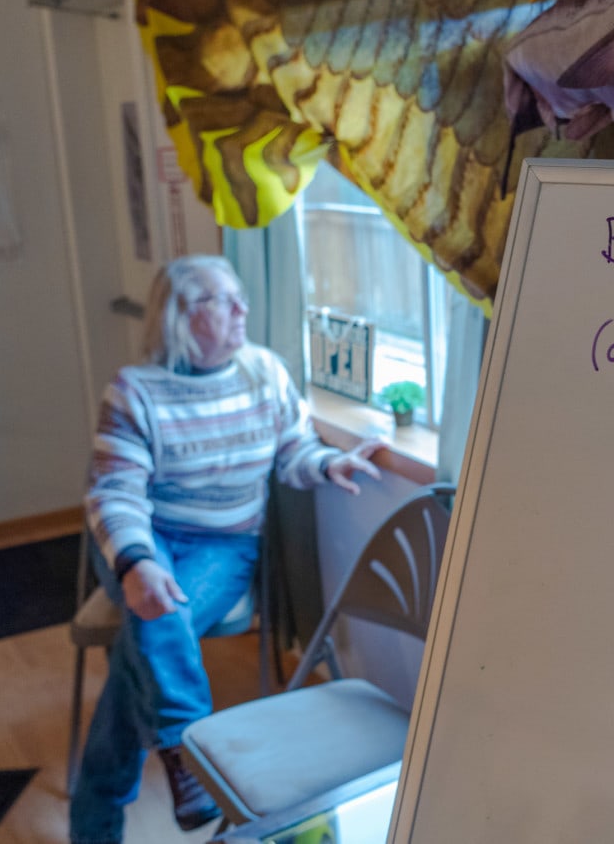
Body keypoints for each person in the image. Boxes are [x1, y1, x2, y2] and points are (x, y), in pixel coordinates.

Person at [69, 254, 386, 844]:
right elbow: (115, 493)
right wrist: (137, 562)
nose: (242, 309)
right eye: (221, 299)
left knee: (146, 640)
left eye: (240, 295)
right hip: (146, 537)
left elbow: (293, 451)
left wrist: (328, 461)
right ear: (179, 315)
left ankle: (108, 814)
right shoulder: (135, 392)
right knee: (156, 602)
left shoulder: (263, 372)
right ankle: (188, 749)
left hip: (226, 542)